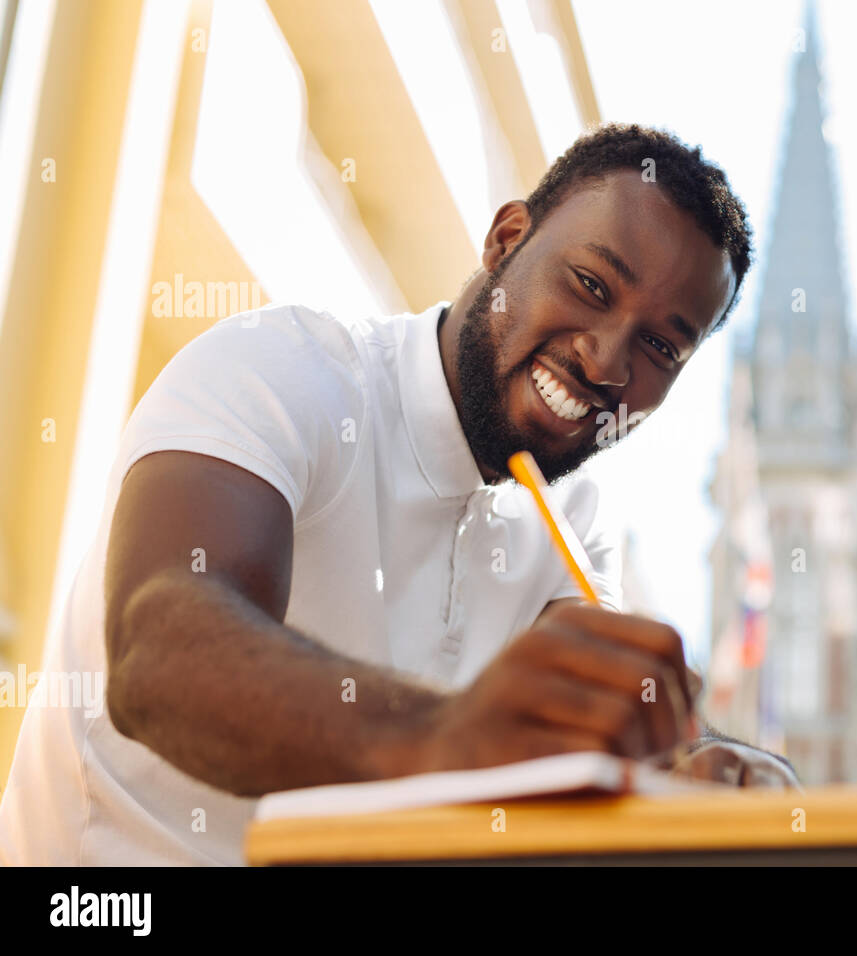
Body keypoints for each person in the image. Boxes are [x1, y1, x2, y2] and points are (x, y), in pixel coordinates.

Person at [0, 123, 798, 866]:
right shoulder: (283, 370)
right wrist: (449, 732)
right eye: (591, 284)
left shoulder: (573, 526)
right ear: (506, 239)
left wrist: (705, 765)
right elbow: (158, 656)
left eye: (661, 344)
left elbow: (598, 737)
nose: (606, 360)